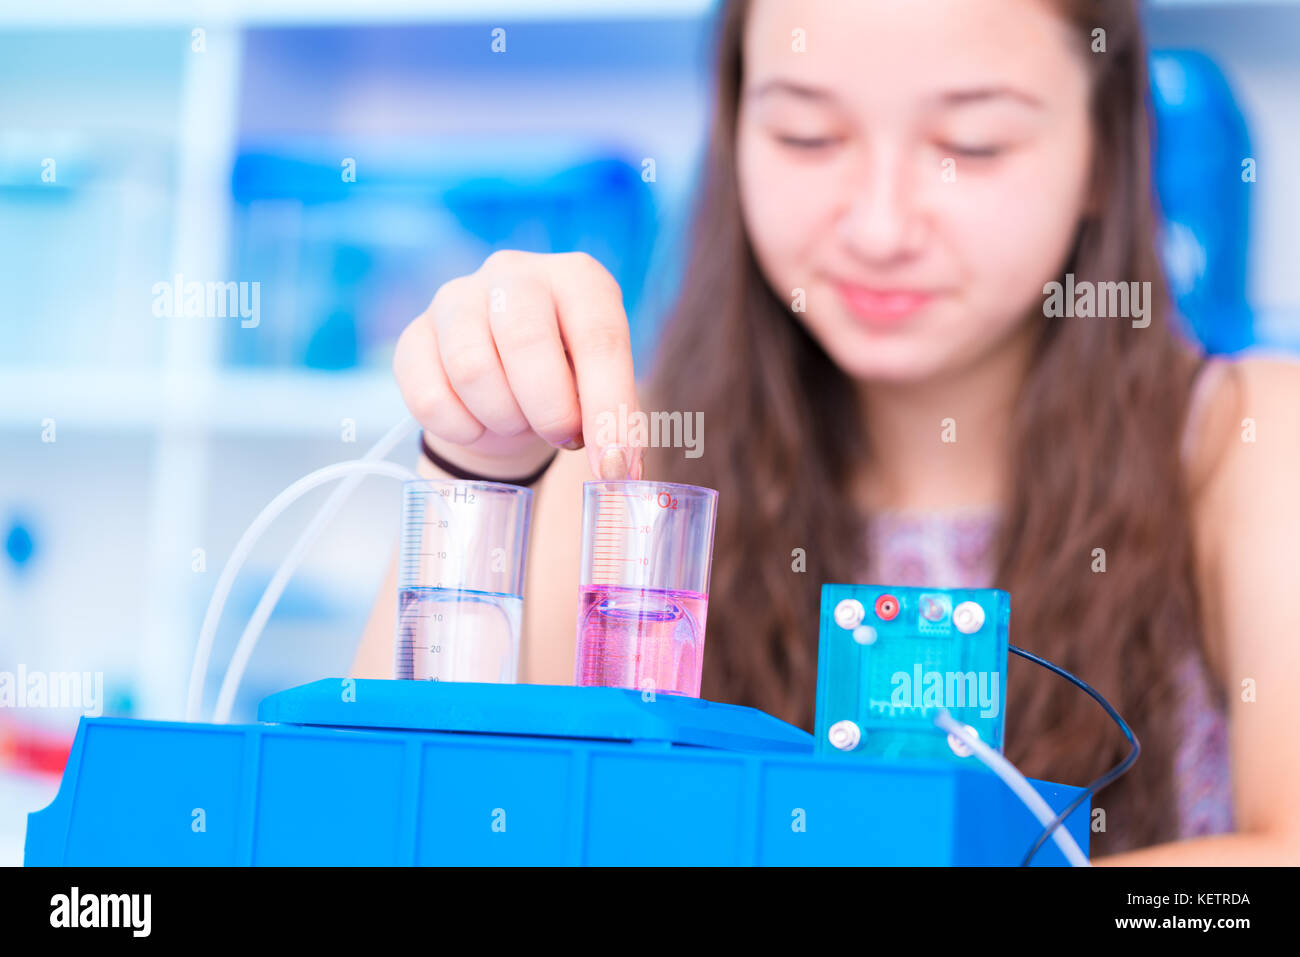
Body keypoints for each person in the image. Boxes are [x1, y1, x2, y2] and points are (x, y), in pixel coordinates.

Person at [354, 0, 1300, 863]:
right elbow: (377, 828)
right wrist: (478, 466)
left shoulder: (1249, 443)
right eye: (808, 136)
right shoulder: (620, 468)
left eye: (971, 144)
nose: (882, 225)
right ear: (733, 135)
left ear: (1104, 151)